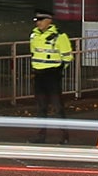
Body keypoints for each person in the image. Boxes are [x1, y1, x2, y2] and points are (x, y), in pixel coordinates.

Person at [29, 11, 74, 143]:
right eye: (37, 20)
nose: (38, 23)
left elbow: (67, 57)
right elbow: (34, 53)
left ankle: (64, 136)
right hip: (38, 75)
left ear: (49, 20)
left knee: (57, 107)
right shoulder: (34, 35)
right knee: (41, 108)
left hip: (52, 75)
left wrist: (58, 70)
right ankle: (40, 136)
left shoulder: (60, 36)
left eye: (41, 20)